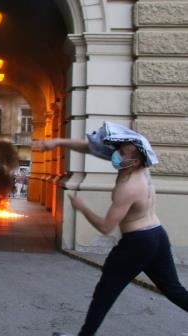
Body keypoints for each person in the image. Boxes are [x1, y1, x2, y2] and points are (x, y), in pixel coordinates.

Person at [34, 122, 188, 336]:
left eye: (121, 153)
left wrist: (83, 208)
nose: (115, 155)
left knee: (104, 293)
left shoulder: (130, 187)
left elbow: (106, 227)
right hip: (157, 235)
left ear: (134, 161)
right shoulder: (135, 164)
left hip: (136, 243)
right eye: (118, 150)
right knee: (174, 290)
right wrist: (57, 142)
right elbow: (90, 147)